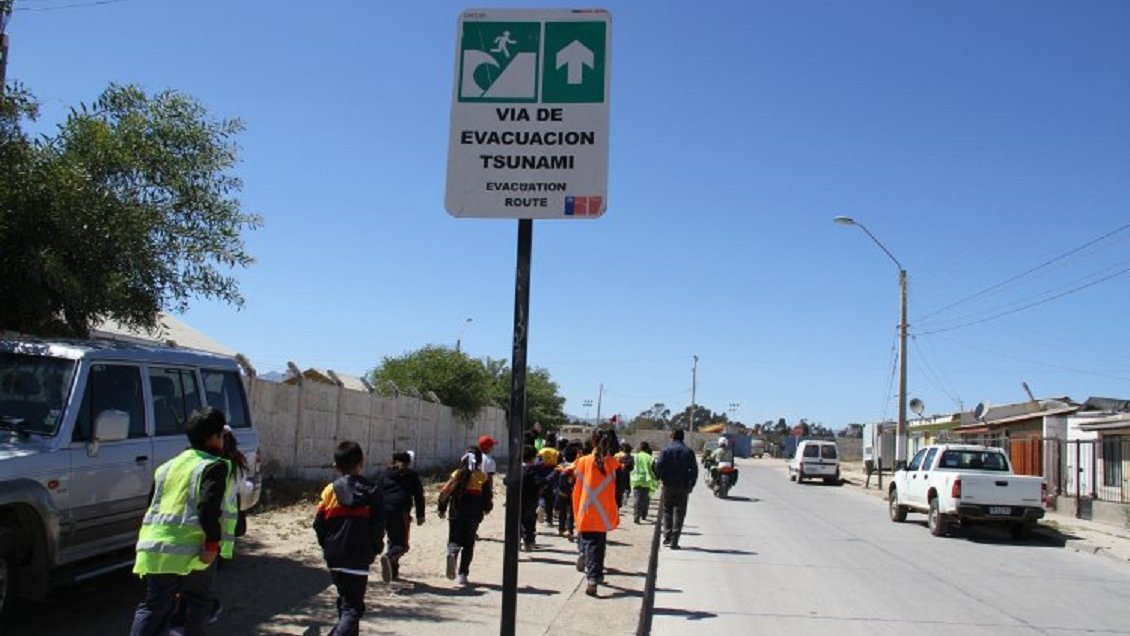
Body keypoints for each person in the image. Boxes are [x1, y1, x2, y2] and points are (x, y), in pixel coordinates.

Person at [129, 407, 238, 636]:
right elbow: (208, 508)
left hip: (154, 547)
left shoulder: (167, 467)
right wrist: (211, 545)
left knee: (154, 606)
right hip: (191, 548)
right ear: (214, 437)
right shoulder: (214, 466)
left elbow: (152, 504)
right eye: (220, 434)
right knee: (199, 601)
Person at [313, 441, 385, 636]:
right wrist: (375, 548)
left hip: (334, 557)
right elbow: (379, 526)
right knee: (353, 608)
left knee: (344, 600)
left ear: (335, 467)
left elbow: (318, 524)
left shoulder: (329, 491)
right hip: (358, 557)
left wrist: (327, 545)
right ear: (362, 463)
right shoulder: (373, 491)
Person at [571, 427, 621, 597]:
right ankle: (594, 575)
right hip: (604, 512)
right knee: (598, 545)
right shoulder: (613, 463)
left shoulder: (583, 461)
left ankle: (592, 574)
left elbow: (576, 490)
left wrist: (576, 512)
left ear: (592, 441)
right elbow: (618, 491)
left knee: (591, 543)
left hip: (586, 510)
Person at [438, 446, 493, 586]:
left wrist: (442, 508)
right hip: (474, 514)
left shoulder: (456, 474)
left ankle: (452, 554)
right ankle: (463, 574)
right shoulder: (482, 477)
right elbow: (487, 497)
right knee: (469, 543)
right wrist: (487, 508)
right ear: (479, 460)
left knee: (454, 539)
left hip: (456, 513)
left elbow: (444, 493)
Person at [377, 451, 425, 582]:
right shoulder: (412, 476)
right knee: (402, 545)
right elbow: (419, 496)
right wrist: (420, 515)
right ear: (408, 463)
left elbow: (376, 493)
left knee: (392, 540)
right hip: (400, 511)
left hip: (383, 511)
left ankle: (393, 572)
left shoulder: (384, 474)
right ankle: (390, 557)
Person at [655, 428, 697, 550]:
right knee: (679, 512)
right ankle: (674, 541)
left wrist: (659, 478)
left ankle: (667, 537)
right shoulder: (688, 452)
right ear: (683, 437)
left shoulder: (665, 450)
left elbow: (658, 466)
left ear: (671, 437)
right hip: (683, 486)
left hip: (668, 485)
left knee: (667, 510)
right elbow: (694, 470)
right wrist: (691, 484)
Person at [519, 445, 545, 551]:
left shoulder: (517, 470)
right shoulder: (533, 471)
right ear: (533, 458)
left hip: (517, 501)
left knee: (518, 522)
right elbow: (540, 482)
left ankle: (518, 541)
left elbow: (506, 481)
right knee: (529, 523)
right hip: (531, 502)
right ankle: (528, 542)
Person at [554, 444, 579, 540]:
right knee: (571, 512)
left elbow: (555, 477)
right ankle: (570, 530)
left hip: (561, 492)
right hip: (573, 492)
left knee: (562, 511)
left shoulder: (561, 466)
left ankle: (561, 529)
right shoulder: (576, 466)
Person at [630, 441, 658, 524]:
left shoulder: (635, 457)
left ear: (640, 448)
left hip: (636, 480)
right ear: (647, 448)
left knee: (637, 499)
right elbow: (655, 469)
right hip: (647, 481)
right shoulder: (650, 458)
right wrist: (656, 479)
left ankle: (636, 516)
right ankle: (644, 514)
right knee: (645, 499)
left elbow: (630, 467)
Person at [537, 432, 560, 525]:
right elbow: (560, 466)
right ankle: (549, 520)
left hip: (542, 476)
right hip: (553, 477)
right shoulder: (556, 453)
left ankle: (541, 507)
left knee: (542, 495)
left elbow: (537, 464)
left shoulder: (541, 452)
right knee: (550, 498)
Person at [614, 442, 634, 510]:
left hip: (615, 475)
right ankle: (624, 497)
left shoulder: (616, 455)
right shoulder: (630, 457)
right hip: (625, 475)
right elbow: (631, 468)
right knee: (626, 488)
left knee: (617, 489)